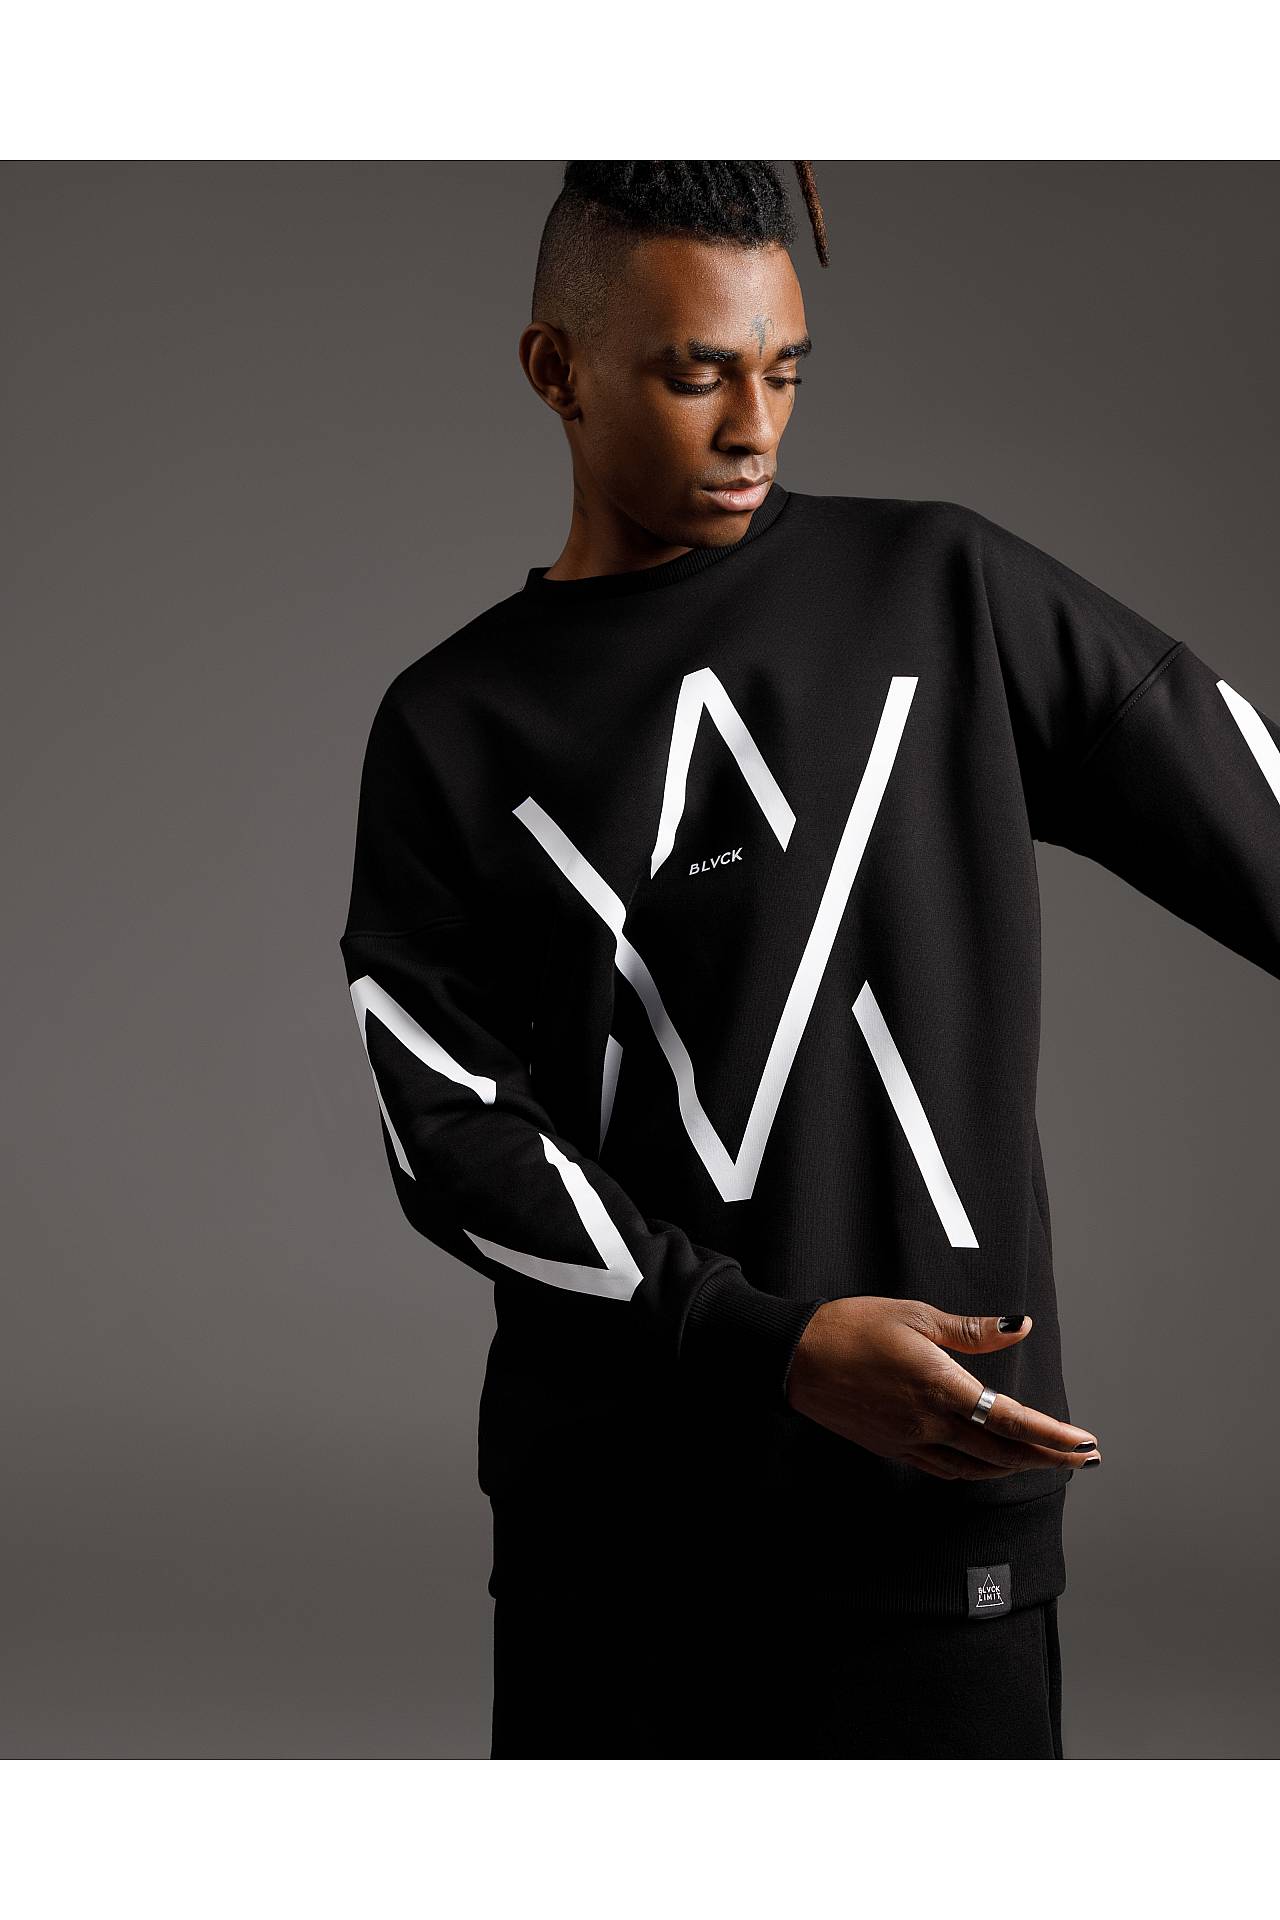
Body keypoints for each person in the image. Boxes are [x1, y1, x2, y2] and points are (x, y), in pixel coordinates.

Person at [337, 162, 1280, 1758]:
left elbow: (1240, 801)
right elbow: (448, 1134)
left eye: (785, 371)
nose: (754, 426)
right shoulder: (453, 725)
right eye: (697, 372)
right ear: (555, 369)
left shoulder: (946, 592)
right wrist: (761, 1345)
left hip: (937, 1513)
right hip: (614, 1547)